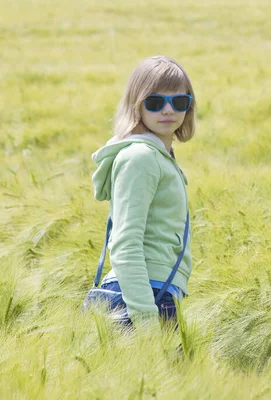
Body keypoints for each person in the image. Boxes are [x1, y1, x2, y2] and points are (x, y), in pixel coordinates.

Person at [90, 56, 196, 330]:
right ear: (137, 105)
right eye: (155, 102)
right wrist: (146, 318)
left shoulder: (160, 156)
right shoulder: (141, 158)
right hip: (143, 297)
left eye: (179, 102)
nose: (168, 110)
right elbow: (125, 243)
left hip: (155, 292)